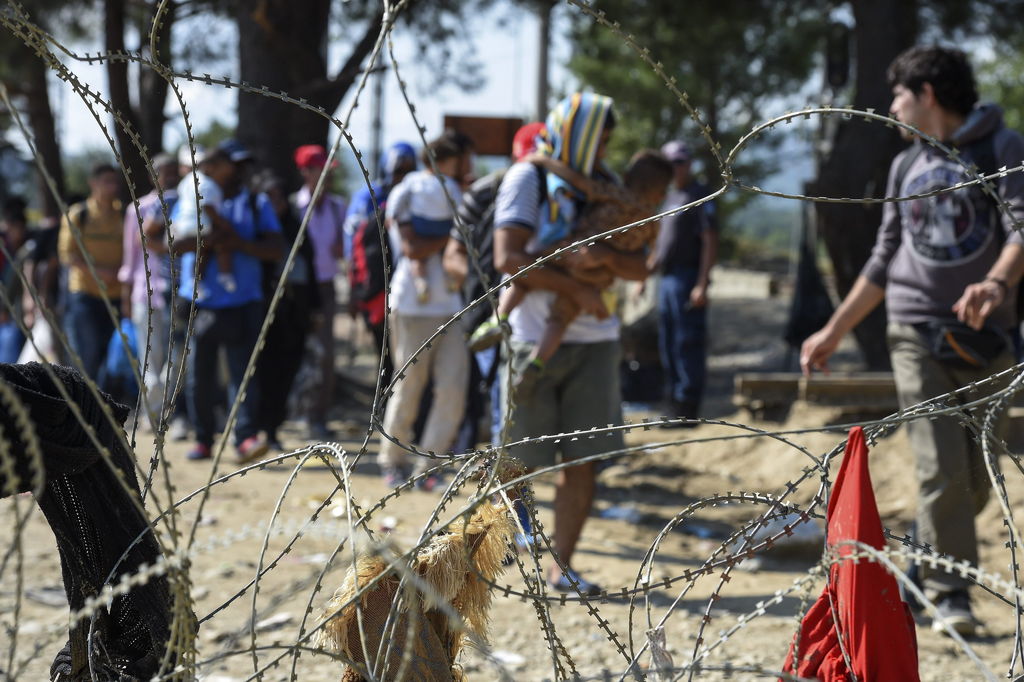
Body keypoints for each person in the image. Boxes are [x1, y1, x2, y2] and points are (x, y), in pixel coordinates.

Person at [800, 45, 1024, 636]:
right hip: (913, 331)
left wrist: (996, 284)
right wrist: (834, 330)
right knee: (939, 467)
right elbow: (884, 257)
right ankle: (952, 597)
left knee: (976, 479)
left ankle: (921, 566)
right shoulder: (905, 166)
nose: (892, 108)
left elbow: (1020, 229)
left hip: (987, 337)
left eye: (898, 95)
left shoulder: (1004, 149)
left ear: (926, 94)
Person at [493, 92, 650, 594]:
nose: (602, 150)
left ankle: (562, 570)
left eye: (607, 142)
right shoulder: (528, 180)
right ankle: (492, 553)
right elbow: (508, 257)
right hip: (533, 339)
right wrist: (577, 288)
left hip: (595, 343)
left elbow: (640, 264)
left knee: (581, 462)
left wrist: (603, 258)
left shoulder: (608, 187)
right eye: (597, 139)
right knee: (516, 460)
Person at [471, 149, 672, 398]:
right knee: (560, 319)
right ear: (662, 194)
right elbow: (648, 264)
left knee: (526, 274)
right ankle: (536, 363)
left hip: (571, 250)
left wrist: (544, 160)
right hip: (596, 277)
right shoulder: (653, 222)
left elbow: (579, 182)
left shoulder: (615, 194)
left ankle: (498, 318)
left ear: (627, 176)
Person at [171, 143, 284, 462]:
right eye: (234, 164)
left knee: (242, 373)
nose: (240, 170)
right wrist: (210, 240)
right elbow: (176, 243)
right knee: (199, 375)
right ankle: (203, 437)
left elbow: (275, 249)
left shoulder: (256, 202)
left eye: (244, 164)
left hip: (244, 300)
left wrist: (238, 243)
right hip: (202, 301)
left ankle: (244, 437)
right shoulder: (196, 196)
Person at [376, 130, 474, 490]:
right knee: (409, 386)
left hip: (450, 304)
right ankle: (393, 460)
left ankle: (429, 464)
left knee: (452, 388)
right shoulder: (409, 190)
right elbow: (412, 248)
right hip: (412, 304)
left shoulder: (457, 192)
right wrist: (450, 237)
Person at [443, 121, 545, 451]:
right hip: (489, 315)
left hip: (540, 320)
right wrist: (486, 289)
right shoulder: (485, 192)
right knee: (493, 398)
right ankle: (494, 468)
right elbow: (453, 255)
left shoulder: (561, 191)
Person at [650, 139, 718, 425]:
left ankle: (687, 405)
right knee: (667, 341)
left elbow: (709, 239)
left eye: (680, 162)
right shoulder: (670, 197)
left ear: (689, 164)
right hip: (667, 278)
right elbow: (661, 242)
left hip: (687, 276)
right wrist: (645, 274)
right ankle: (673, 401)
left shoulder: (699, 196)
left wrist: (702, 282)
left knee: (686, 341)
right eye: (670, 164)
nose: (676, 168)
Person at [254, 171, 320, 450]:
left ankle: (274, 427)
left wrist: (315, 308)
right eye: (269, 198)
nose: (275, 203)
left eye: (279, 198)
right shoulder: (256, 232)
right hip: (263, 313)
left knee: (287, 370)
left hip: (295, 314)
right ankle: (258, 427)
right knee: (263, 372)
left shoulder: (296, 229)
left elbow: (311, 269)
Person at [344, 142, 417, 392]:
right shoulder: (369, 198)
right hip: (379, 293)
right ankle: (385, 406)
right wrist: (355, 290)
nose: (403, 177)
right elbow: (354, 248)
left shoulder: (416, 197)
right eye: (399, 171)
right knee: (387, 358)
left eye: (409, 171)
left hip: (410, 292)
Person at [117, 153, 180, 426]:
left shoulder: (185, 203)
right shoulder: (138, 209)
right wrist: (126, 297)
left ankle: (170, 409)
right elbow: (130, 258)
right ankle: (153, 414)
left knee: (175, 356)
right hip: (147, 293)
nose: (169, 177)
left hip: (177, 292)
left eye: (173, 171)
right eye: (164, 172)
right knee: (150, 357)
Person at [293, 144, 348, 440]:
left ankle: (317, 416)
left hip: (325, 288)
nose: (326, 176)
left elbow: (345, 250)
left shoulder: (338, 208)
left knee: (325, 354)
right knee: (296, 350)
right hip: (298, 290)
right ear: (305, 172)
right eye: (319, 170)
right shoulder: (293, 207)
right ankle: (294, 412)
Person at [57, 163, 125, 382]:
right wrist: (100, 273)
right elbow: (67, 255)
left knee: (111, 355)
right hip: (85, 294)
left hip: (116, 295)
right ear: (93, 183)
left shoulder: (123, 213)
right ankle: (84, 397)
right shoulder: (78, 215)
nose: (112, 187)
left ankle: (103, 398)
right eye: (106, 182)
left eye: (114, 182)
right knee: (88, 353)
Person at [173, 146, 236, 294]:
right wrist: (223, 224)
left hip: (184, 225)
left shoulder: (188, 179)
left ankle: (196, 280)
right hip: (200, 225)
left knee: (203, 251)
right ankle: (225, 273)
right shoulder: (207, 184)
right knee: (222, 240)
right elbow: (207, 206)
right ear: (211, 167)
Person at [0, 197, 31, 362]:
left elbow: (12, 284)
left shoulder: (26, 252)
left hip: (19, 313)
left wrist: (4, 309)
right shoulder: (10, 249)